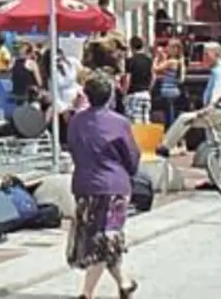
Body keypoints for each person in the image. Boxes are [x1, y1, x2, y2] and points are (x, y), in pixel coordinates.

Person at [65, 73, 140, 299]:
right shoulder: (119, 123)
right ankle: (87, 292)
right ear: (110, 96)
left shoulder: (76, 120)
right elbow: (132, 156)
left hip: (85, 184)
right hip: (113, 185)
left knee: (102, 237)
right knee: (106, 238)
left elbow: (73, 148)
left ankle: (124, 282)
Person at [123, 38, 153, 123]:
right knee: (145, 119)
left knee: (134, 121)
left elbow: (128, 78)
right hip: (145, 93)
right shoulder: (149, 60)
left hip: (134, 93)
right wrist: (149, 89)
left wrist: (124, 92)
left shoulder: (130, 61)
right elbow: (153, 76)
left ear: (131, 47)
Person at [154, 40, 184, 126]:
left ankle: (170, 128)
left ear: (174, 49)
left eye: (169, 46)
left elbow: (156, 68)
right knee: (171, 111)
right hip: (175, 90)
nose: (166, 48)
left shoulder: (171, 62)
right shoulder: (179, 61)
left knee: (169, 114)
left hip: (167, 91)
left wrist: (156, 57)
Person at [200, 42, 221, 111]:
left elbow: (218, 92)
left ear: (217, 55)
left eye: (207, 54)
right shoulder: (216, 69)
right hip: (214, 108)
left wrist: (210, 106)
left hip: (219, 109)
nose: (204, 57)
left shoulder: (220, 71)